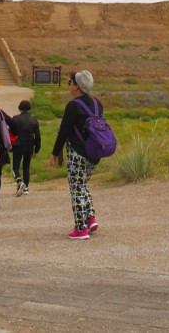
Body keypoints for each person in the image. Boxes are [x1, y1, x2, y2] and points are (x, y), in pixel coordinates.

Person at [48, 70, 104, 239]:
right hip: (94, 152)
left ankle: (80, 228)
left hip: (78, 153)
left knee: (76, 189)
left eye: (70, 83)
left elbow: (64, 131)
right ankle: (90, 218)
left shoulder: (74, 105)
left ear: (77, 86)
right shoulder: (96, 103)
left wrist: (54, 153)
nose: (69, 86)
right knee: (82, 185)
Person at [9, 100, 41, 196]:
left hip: (18, 144)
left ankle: (19, 181)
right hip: (29, 144)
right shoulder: (34, 120)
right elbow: (38, 136)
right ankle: (26, 187)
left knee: (15, 167)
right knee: (26, 166)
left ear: (20, 108)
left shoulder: (14, 119)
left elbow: (11, 133)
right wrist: (36, 149)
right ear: (29, 108)